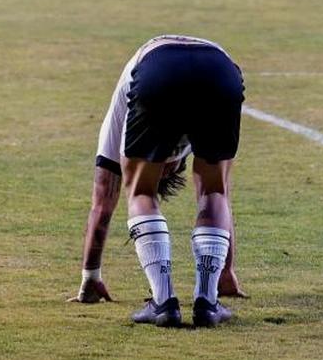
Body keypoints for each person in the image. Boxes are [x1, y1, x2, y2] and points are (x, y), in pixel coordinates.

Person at [69, 36, 246, 328]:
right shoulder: (169, 141)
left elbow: (102, 203)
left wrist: (91, 277)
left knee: (140, 191)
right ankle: (208, 304)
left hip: (160, 68)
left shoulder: (119, 130)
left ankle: (163, 303)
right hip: (220, 68)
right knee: (214, 190)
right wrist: (225, 270)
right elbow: (220, 195)